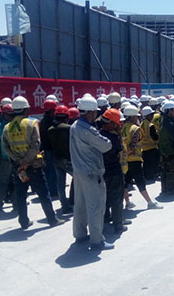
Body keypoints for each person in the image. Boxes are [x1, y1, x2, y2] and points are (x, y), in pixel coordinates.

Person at [2, 96, 63, 229]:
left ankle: (23, 222)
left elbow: (6, 148)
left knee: (21, 195)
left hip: (19, 168)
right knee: (43, 194)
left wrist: (19, 161)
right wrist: (26, 161)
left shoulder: (7, 127)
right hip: (34, 166)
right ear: (26, 109)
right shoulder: (31, 123)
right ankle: (52, 219)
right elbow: (36, 145)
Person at [69, 94, 113, 250]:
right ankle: (96, 240)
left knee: (80, 205)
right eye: (95, 112)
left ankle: (80, 234)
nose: (96, 115)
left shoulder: (74, 126)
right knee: (96, 206)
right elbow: (106, 146)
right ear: (90, 112)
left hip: (78, 172)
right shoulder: (87, 129)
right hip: (91, 172)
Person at [121, 105, 162, 209]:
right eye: (136, 116)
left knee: (126, 181)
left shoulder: (123, 127)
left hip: (125, 160)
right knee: (140, 181)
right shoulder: (135, 129)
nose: (138, 118)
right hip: (134, 159)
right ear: (132, 116)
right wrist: (128, 153)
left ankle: (128, 202)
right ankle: (150, 202)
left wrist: (124, 156)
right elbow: (132, 145)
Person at [99, 108, 130, 234]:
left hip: (101, 171)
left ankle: (106, 217)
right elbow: (120, 150)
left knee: (104, 197)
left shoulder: (97, 135)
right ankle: (118, 224)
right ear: (111, 123)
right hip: (114, 170)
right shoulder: (113, 137)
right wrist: (118, 133)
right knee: (116, 198)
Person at [47, 105, 74, 214]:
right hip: (68, 159)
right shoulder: (69, 128)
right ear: (67, 117)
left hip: (56, 159)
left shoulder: (50, 130)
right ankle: (72, 201)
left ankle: (65, 206)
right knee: (78, 179)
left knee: (60, 185)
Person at [139, 106, 160, 182]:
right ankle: (151, 176)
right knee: (152, 164)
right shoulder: (151, 125)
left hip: (144, 147)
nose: (152, 116)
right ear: (147, 116)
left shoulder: (142, 123)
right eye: (151, 115)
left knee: (146, 164)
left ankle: (147, 176)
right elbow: (155, 137)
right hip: (152, 147)